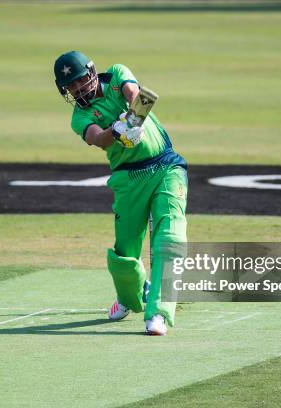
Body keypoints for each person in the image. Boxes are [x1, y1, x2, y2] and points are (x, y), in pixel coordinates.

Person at [53, 51, 188, 335]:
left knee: (171, 237)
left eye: (80, 80)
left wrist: (133, 116)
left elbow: (135, 94)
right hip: (128, 179)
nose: (78, 88)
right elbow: (98, 139)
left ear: (92, 72)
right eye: (71, 86)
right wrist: (118, 131)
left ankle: (159, 314)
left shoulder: (115, 73)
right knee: (125, 255)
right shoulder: (79, 116)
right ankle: (129, 298)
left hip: (166, 167)